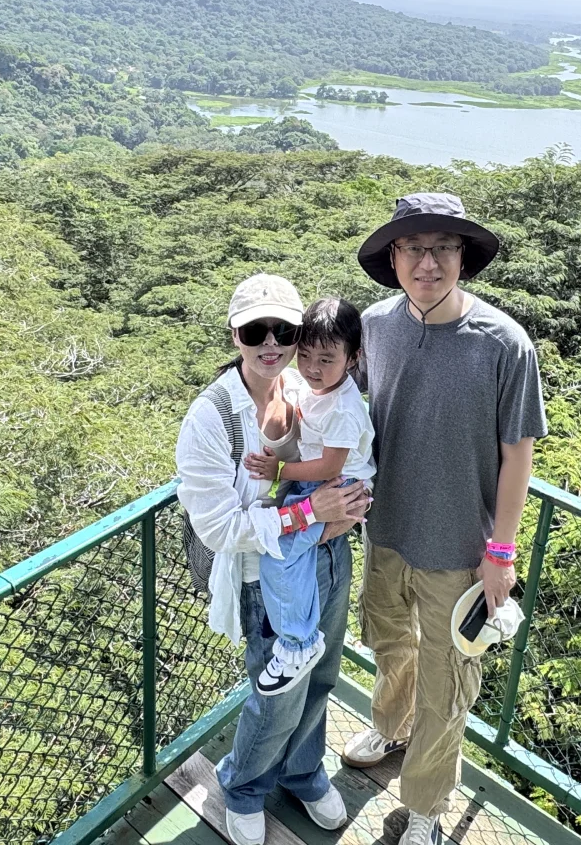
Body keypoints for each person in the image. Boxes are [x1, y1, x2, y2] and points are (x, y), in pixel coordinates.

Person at [343, 194, 548, 845]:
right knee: (389, 646)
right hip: (385, 533)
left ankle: (426, 809)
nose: (427, 262)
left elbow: (519, 453)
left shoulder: (504, 342)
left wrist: (503, 553)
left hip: (462, 547)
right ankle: (390, 726)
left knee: (446, 682)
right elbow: (339, 408)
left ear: (462, 257)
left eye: (442, 248)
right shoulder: (373, 326)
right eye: (413, 248)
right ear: (393, 258)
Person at [175, 273, 371, 845]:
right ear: (233, 334)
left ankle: (303, 770)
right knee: (277, 694)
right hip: (268, 572)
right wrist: (315, 514)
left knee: (322, 676)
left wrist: (338, 512)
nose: (270, 342)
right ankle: (242, 787)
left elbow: (338, 457)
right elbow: (217, 527)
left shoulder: (301, 385)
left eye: (282, 330)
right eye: (254, 329)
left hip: (329, 556)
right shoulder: (210, 418)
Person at [243, 298, 376, 697]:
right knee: (292, 554)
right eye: (303, 356)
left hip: (335, 487)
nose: (312, 368)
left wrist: (279, 471)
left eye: (326, 359)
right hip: (325, 487)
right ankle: (292, 625)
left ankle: (297, 642)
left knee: (281, 553)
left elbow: (328, 468)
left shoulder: (344, 410)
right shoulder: (322, 389)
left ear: (353, 358)